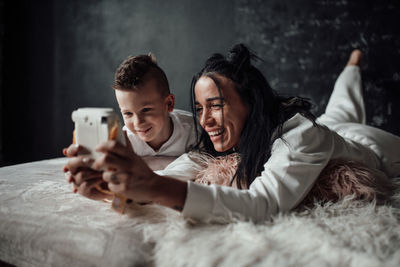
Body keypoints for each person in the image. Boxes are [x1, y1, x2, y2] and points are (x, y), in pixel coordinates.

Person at [64, 44, 400, 223]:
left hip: (370, 142)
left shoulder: (303, 136)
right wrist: (112, 189)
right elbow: (179, 171)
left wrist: (154, 185)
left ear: (250, 102)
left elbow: (262, 204)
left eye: (216, 105)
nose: (205, 120)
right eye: (199, 109)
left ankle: (353, 63)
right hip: (332, 130)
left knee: (343, 112)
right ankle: (352, 66)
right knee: (338, 110)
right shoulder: (220, 139)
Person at [64, 54, 197, 171]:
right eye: (128, 113)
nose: (138, 122)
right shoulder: (124, 141)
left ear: (169, 104)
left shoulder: (193, 130)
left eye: (146, 110)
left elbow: (204, 164)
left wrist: (139, 163)